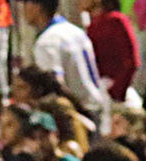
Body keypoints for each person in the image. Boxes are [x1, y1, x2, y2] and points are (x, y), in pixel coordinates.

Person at [23, 0, 112, 133]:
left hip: (78, 112)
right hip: (96, 103)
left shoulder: (47, 42)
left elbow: (54, 85)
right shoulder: (75, 31)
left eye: (26, 3)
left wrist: (77, 112)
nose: (23, 10)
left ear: (37, 7)